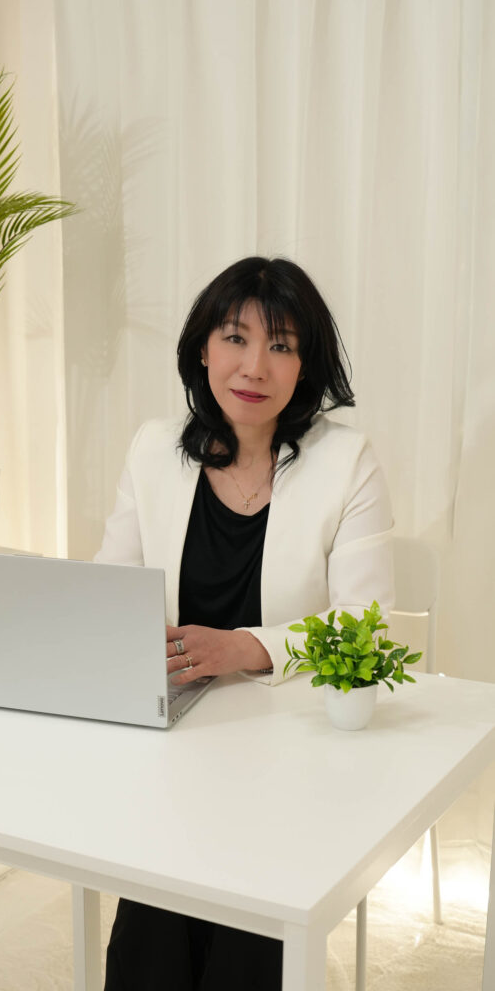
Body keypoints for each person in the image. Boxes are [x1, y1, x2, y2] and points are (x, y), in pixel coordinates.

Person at [95, 256, 394, 991]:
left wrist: (247, 648)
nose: (254, 365)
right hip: (173, 742)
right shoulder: (153, 448)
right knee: (148, 946)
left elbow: (366, 627)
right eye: (235, 338)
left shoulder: (345, 461)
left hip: (290, 753)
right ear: (203, 348)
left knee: (246, 947)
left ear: (304, 366)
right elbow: (110, 585)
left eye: (281, 345)